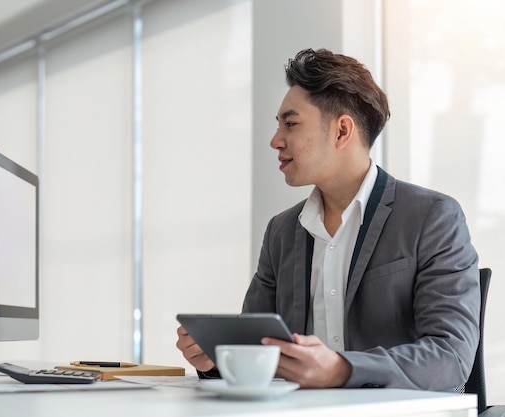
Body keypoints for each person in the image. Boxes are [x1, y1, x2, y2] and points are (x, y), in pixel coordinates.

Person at [176, 48, 480, 391]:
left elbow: (450, 356)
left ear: (341, 131)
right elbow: (256, 351)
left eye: (290, 124)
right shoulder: (281, 231)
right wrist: (217, 360)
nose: (276, 140)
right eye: (278, 126)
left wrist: (342, 369)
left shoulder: (432, 218)